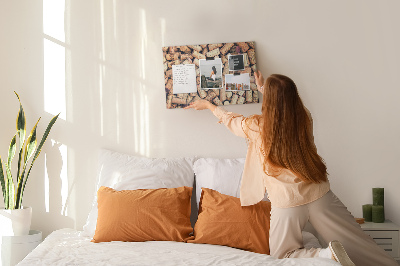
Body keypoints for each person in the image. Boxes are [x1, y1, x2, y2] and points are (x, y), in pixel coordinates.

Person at [184, 71, 398, 266]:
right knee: (357, 243)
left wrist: (209, 106)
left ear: (268, 100)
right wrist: (264, 88)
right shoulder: (304, 118)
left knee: (282, 257)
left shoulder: (257, 127)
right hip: (318, 193)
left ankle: (325, 256)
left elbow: (233, 120)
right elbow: (282, 105)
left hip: (287, 204)